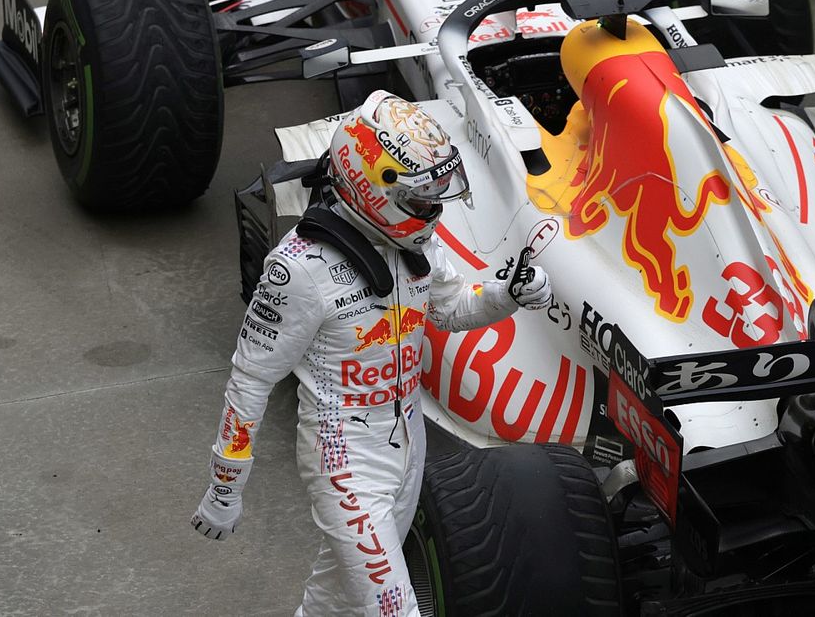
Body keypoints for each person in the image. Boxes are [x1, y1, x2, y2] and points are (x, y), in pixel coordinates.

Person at [190, 90, 551, 616]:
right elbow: (249, 380)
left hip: (409, 447)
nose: (431, 210)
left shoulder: (417, 242)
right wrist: (226, 485)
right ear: (372, 186)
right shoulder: (296, 271)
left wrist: (507, 295)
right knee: (392, 608)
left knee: (338, 593)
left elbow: (450, 309)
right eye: (420, 199)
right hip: (345, 462)